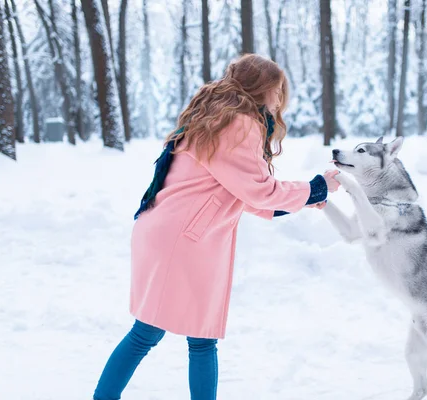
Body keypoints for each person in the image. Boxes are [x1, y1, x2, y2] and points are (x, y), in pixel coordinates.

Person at [92, 54, 340, 400]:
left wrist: (302, 199)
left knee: (190, 335)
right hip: (182, 240)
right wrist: (318, 187)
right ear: (262, 90)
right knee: (157, 334)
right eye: (277, 90)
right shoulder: (239, 124)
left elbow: (247, 194)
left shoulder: (218, 117)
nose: (280, 99)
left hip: (170, 232)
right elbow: (260, 190)